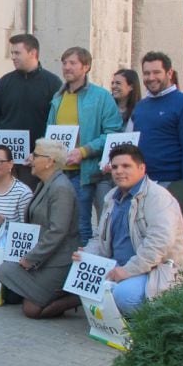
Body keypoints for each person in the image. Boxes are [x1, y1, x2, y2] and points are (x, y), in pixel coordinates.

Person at [79, 144, 183, 316]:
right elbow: (99, 238)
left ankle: (152, 324)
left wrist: (127, 271)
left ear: (142, 168)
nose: (119, 171)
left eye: (126, 166)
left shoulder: (158, 197)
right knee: (81, 277)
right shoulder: (111, 196)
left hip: (158, 271)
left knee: (124, 296)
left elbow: (158, 245)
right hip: (121, 266)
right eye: (115, 167)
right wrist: (86, 256)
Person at [0, 138, 80, 318]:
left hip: (58, 260)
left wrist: (32, 258)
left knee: (31, 310)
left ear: (49, 162)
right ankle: (55, 291)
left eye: (36, 155)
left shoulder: (61, 188)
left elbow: (57, 231)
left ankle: (76, 295)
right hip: (43, 257)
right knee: (4, 271)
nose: (30, 158)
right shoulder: (44, 183)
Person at [45, 46, 123, 245]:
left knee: (83, 226)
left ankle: (82, 267)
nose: (67, 67)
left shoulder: (101, 96)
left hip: (87, 172)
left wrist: (85, 151)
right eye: (64, 63)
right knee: (64, 225)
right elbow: (50, 134)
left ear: (86, 66)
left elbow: (113, 133)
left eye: (73, 63)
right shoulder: (58, 98)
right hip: (61, 172)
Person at [131, 51, 183, 259]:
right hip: (144, 184)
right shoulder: (141, 106)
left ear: (169, 73)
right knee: (148, 239)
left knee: (178, 240)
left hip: (173, 184)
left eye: (156, 72)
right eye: (146, 73)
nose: (151, 78)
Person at [0, 34, 62, 188]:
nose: (13, 57)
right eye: (12, 53)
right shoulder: (5, 81)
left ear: (33, 53)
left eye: (17, 53)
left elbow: (56, 122)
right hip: (5, 160)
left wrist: (41, 152)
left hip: (34, 160)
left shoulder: (52, 83)